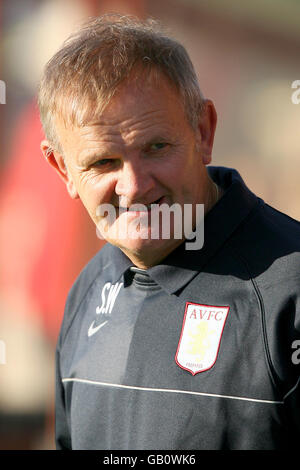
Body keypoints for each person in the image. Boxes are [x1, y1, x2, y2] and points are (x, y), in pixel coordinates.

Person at [38, 14, 300, 450]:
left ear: (203, 131)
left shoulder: (289, 294)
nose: (135, 186)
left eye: (155, 147)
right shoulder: (87, 294)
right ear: (63, 169)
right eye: (103, 162)